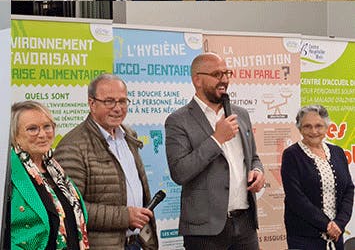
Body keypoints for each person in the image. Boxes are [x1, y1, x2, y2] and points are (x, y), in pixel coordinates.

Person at [164, 53, 265, 249]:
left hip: (245, 223)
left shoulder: (241, 114)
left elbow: (253, 157)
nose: (224, 80)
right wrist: (216, 139)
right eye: (217, 74)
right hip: (205, 230)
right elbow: (180, 172)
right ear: (197, 80)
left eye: (227, 73)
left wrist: (258, 172)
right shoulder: (178, 120)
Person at [54, 74, 158, 249]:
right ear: (92, 103)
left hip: (137, 243)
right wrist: (125, 217)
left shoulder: (128, 136)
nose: (118, 108)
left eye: (123, 101)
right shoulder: (73, 145)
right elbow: (71, 208)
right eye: (109, 101)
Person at [9, 101, 89, 249]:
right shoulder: (8, 174)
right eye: (32, 129)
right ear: (15, 135)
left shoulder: (56, 170)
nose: (42, 134)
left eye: (47, 126)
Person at [281, 105, 354, 249]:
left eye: (319, 126)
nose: (314, 131)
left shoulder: (338, 152)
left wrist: (339, 224)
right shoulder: (291, 155)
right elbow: (296, 198)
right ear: (300, 128)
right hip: (304, 238)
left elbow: (348, 189)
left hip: (336, 235)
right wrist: (327, 225)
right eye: (307, 126)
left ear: (327, 127)